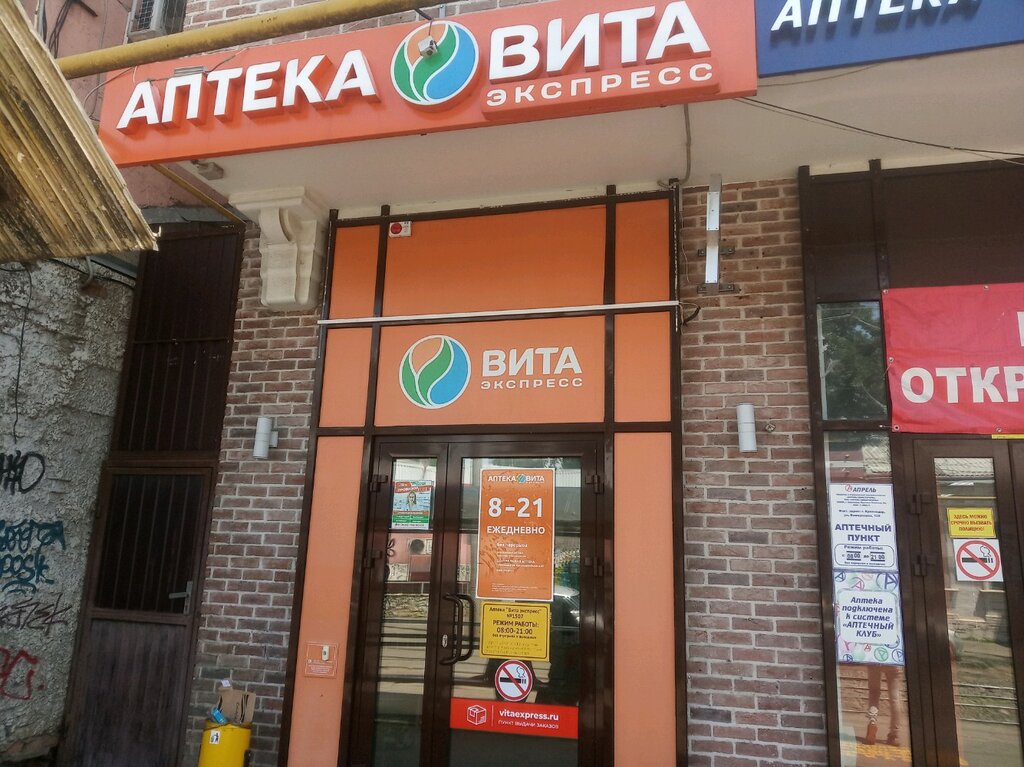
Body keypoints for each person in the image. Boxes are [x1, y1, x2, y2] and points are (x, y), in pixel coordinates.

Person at [865, 664, 902, 746]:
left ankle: (872, 721)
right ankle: (894, 735)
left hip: (874, 660)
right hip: (893, 662)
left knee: (874, 693)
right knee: (895, 698)